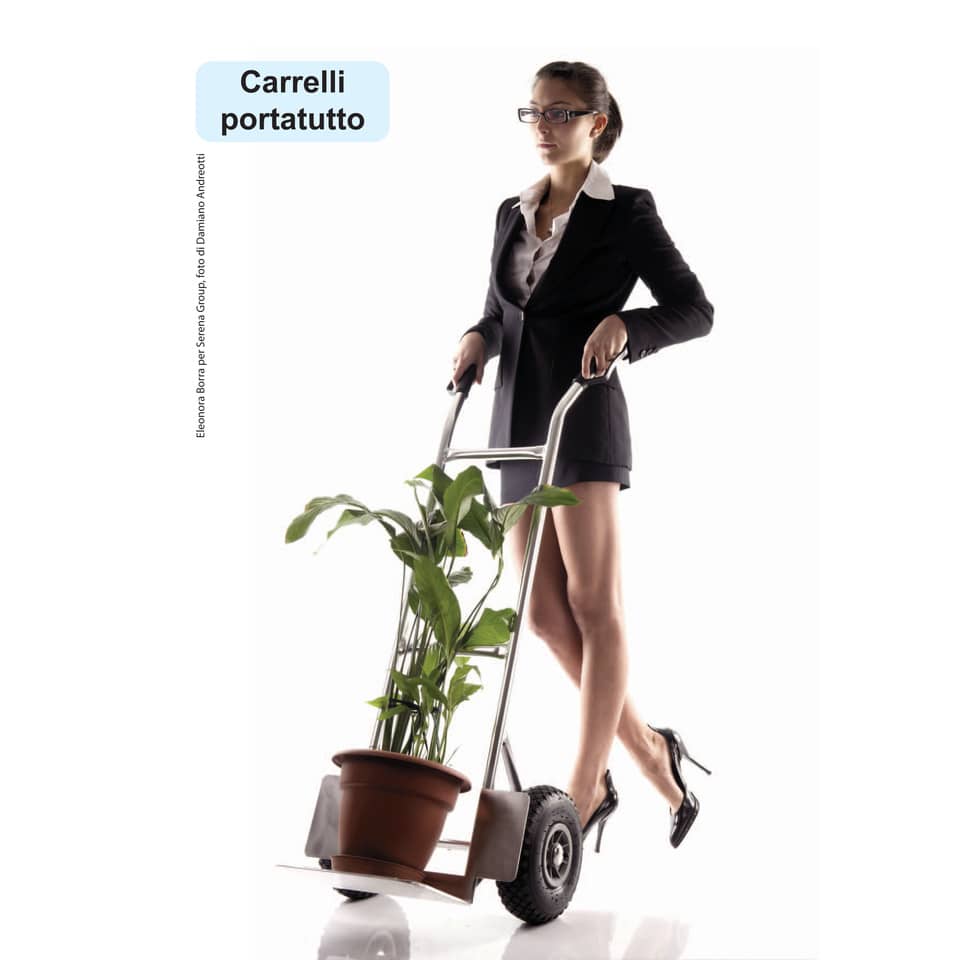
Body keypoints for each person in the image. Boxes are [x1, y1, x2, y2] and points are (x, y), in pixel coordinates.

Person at [450, 61, 714, 850]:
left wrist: (628, 327)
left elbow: (694, 309)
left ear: (597, 123)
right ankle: (649, 751)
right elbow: (503, 312)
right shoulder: (511, 211)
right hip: (516, 426)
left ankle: (586, 780)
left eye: (561, 112)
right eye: (534, 111)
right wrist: (478, 336)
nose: (543, 125)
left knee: (595, 606)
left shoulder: (626, 211)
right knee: (542, 614)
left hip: (583, 418)